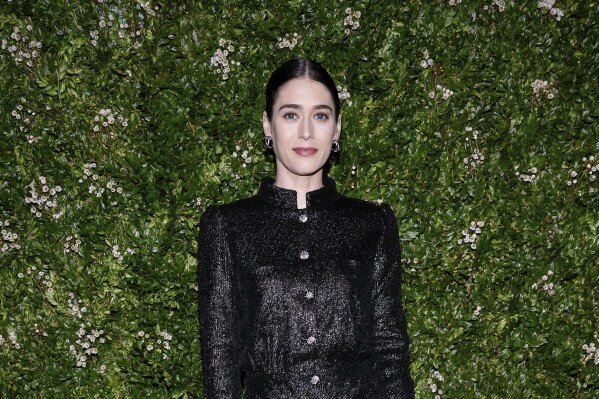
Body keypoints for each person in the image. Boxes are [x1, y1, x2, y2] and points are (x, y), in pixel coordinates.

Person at [197, 58, 415, 398]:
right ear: (268, 126)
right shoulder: (229, 226)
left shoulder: (372, 224)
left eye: (321, 115)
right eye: (290, 114)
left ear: (337, 127)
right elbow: (220, 360)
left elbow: (391, 350)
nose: (306, 132)